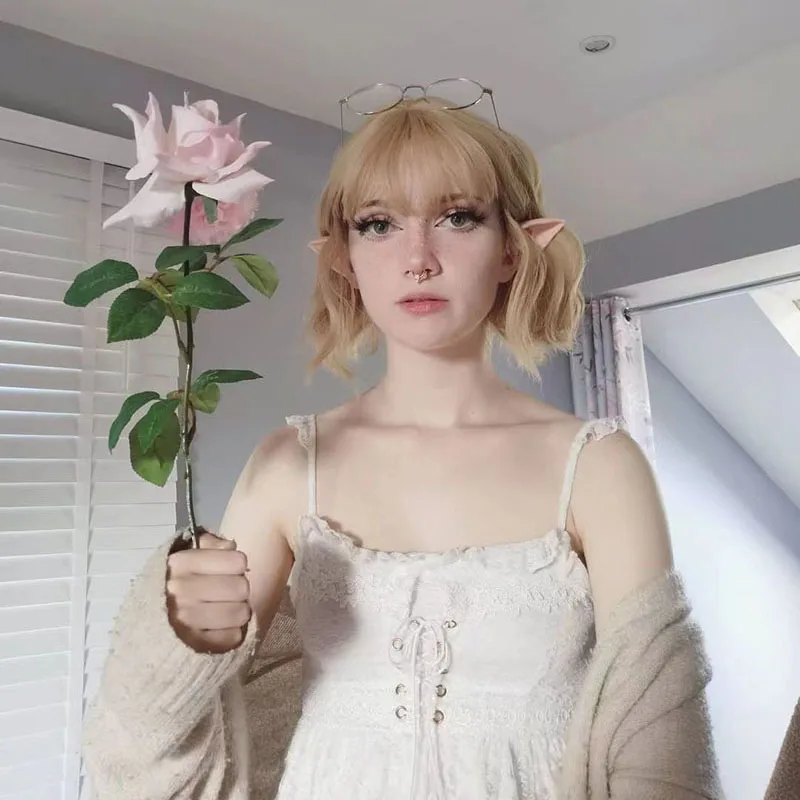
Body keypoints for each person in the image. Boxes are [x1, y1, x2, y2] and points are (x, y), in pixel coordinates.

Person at [82, 87, 721, 800]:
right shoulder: (287, 465)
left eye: (458, 217)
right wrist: (181, 641)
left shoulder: (600, 469)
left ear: (513, 249)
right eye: (379, 224)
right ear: (344, 257)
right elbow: (165, 743)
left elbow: (662, 759)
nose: (418, 259)